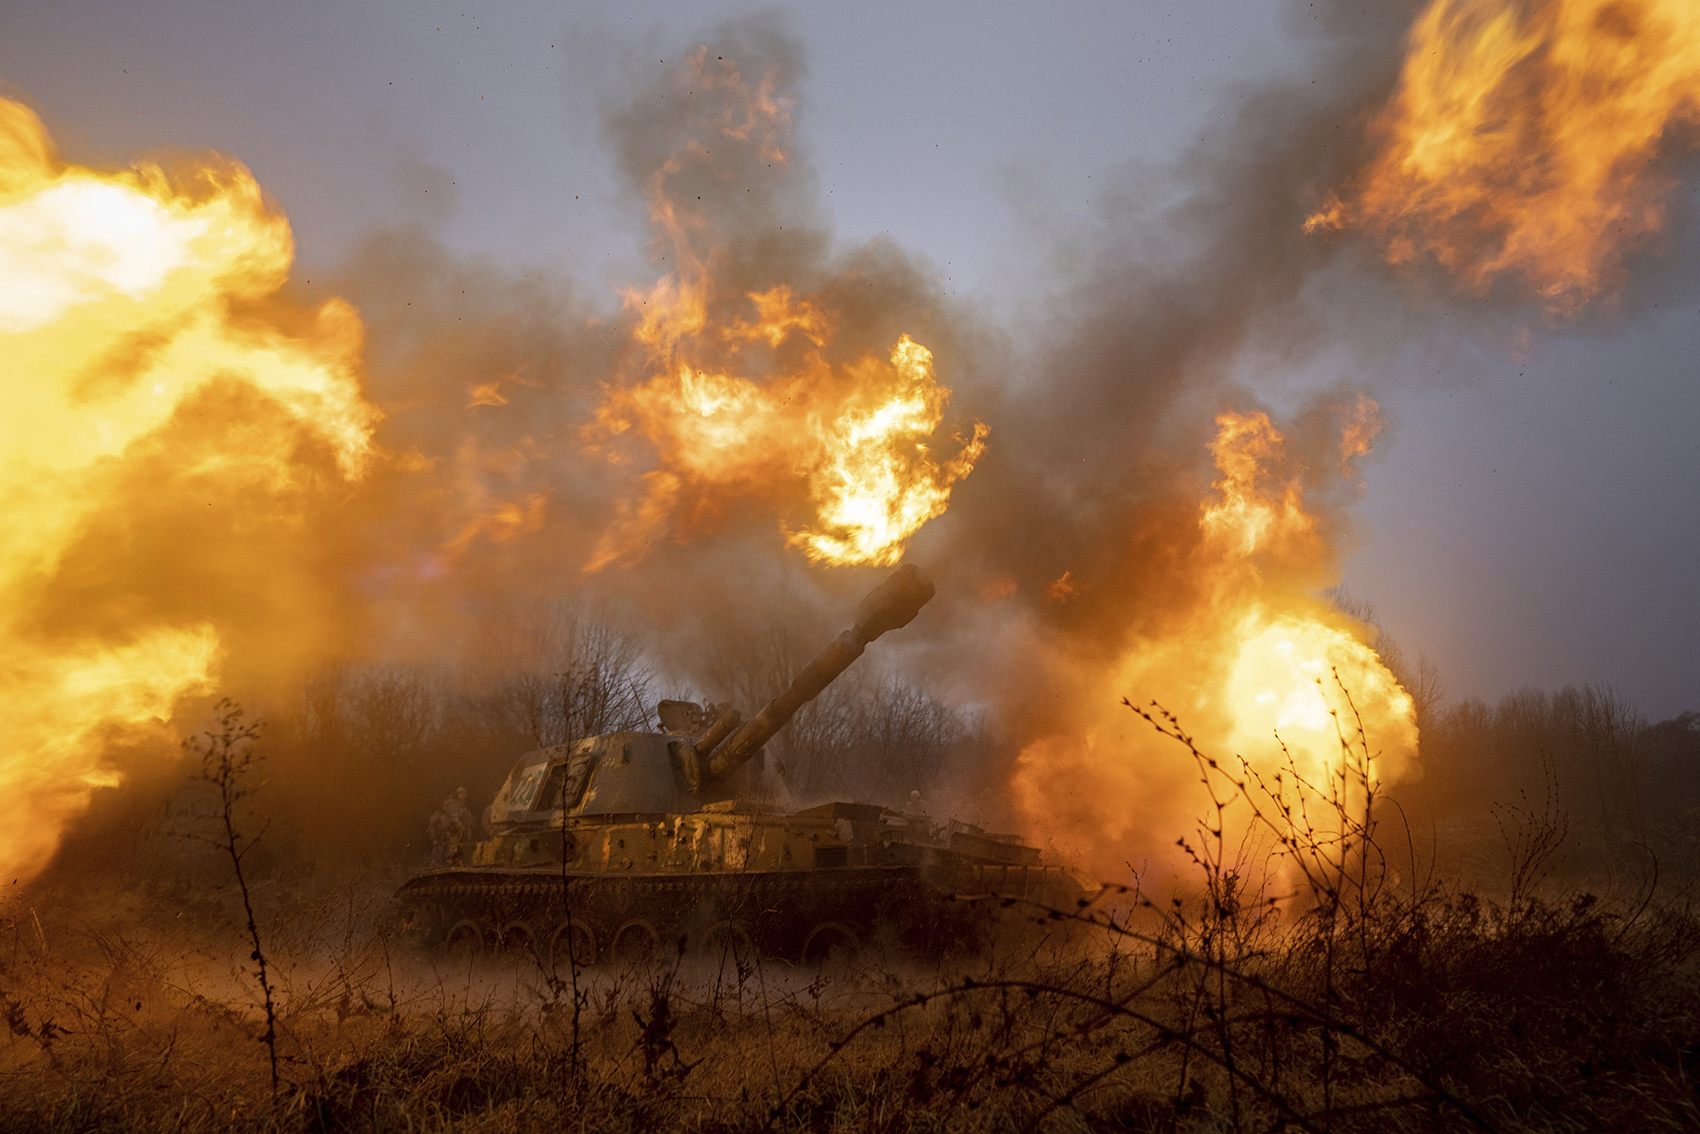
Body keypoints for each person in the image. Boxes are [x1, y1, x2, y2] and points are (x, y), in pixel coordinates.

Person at [428, 787, 476, 865]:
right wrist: (434, 839)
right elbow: (432, 828)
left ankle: (450, 862)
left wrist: (466, 827)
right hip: (444, 836)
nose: (463, 796)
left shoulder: (462, 808)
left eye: (464, 793)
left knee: (453, 850)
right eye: (460, 793)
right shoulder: (439, 816)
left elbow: (467, 820)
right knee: (440, 852)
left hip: (454, 835)